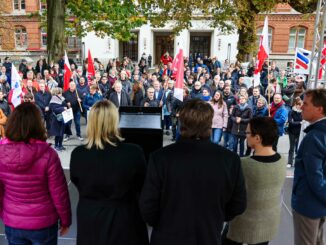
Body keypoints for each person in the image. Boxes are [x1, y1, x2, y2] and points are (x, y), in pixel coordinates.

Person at [140, 99, 247, 245]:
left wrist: (163, 223)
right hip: (208, 235)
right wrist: (216, 216)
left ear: (182, 123)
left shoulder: (160, 158)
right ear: (209, 123)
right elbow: (238, 204)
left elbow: (147, 206)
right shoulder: (230, 160)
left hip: (167, 236)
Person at [70, 100, 149, 245]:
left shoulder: (78, 154)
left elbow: (76, 181)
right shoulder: (133, 152)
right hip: (125, 219)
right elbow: (141, 184)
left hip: (90, 218)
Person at [0, 102, 71, 245]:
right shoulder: (49, 155)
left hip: (13, 222)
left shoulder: (1, 153)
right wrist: (65, 220)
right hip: (43, 224)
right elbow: (59, 193)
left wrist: (5, 214)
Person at [223, 117, 286, 245]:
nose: (246, 136)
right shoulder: (282, 160)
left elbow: (230, 195)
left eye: (247, 133)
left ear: (257, 138)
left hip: (243, 224)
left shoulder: (243, 164)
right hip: (268, 222)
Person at [291, 89, 326, 245]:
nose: (301, 107)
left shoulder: (315, 137)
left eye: (305, 104)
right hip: (318, 204)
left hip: (309, 205)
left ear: (319, 109)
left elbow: (315, 177)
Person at [287, 97, 303, 168]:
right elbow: (290, 122)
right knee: (291, 147)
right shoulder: (291, 112)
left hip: (300, 132)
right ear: (295, 104)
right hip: (292, 131)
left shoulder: (303, 112)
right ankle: (290, 162)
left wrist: (295, 122)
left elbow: (305, 121)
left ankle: (297, 162)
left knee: (298, 148)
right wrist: (300, 122)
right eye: (298, 104)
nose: (299, 106)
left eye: (300, 105)